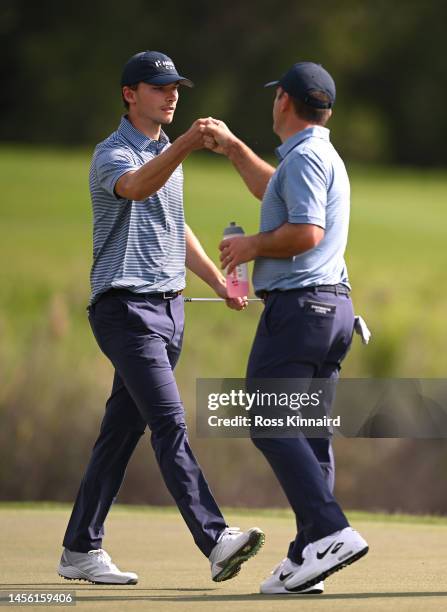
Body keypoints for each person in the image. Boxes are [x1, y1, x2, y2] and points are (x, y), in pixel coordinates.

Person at [57, 50, 264, 586]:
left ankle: (80, 547)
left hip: (170, 312)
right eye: (158, 87)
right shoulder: (114, 154)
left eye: (175, 87)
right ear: (130, 94)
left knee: (119, 434)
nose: (171, 95)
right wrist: (192, 144)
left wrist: (218, 283)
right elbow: (136, 187)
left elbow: (176, 226)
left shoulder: (164, 151)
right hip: (125, 311)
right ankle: (215, 539)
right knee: (169, 422)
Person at [203, 61, 368, 594]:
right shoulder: (320, 156)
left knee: (266, 418)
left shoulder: (304, 159)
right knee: (311, 437)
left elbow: (306, 231)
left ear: (283, 102)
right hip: (334, 313)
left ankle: (330, 529)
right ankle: (307, 557)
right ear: (327, 110)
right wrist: (231, 148)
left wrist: (251, 245)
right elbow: (277, 191)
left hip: (300, 312)